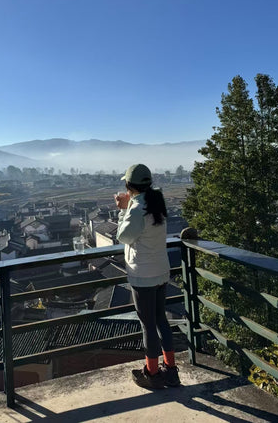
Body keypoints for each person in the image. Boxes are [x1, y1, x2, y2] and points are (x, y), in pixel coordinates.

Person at [115, 163, 180, 389]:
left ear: (128, 185)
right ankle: (171, 370)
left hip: (143, 275)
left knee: (147, 325)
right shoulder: (156, 202)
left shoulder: (136, 209)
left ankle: (152, 373)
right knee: (161, 319)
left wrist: (123, 209)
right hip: (161, 271)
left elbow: (124, 237)